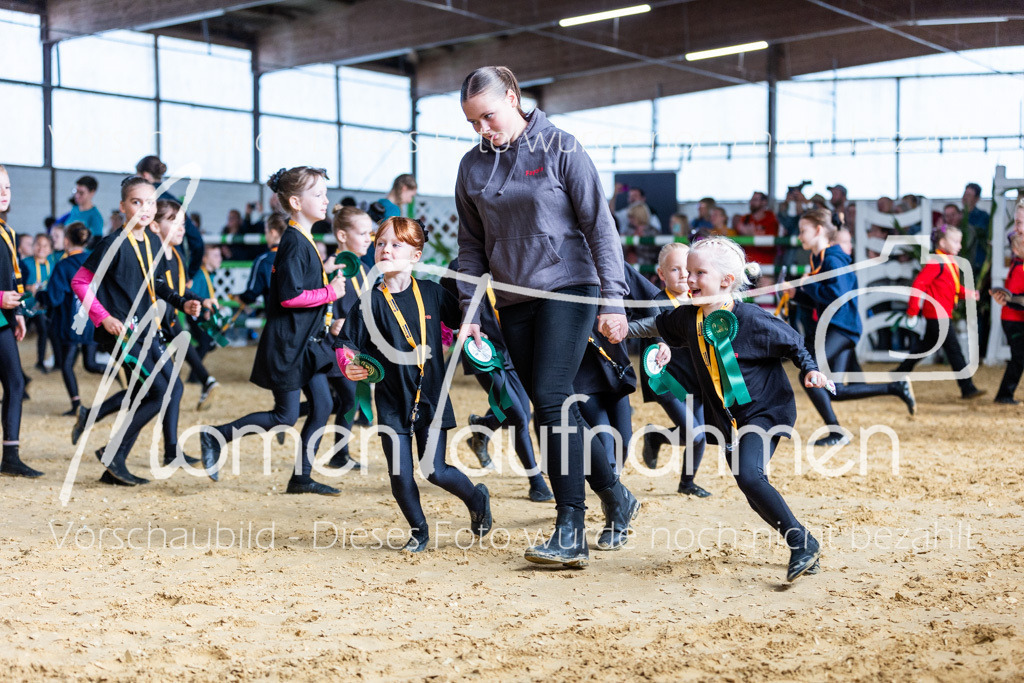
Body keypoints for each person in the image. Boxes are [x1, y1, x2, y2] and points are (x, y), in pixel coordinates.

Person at [457, 66, 638, 568]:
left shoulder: (561, 147)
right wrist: (469, 309)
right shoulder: (471, 167)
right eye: (472, 123)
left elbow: (600, 227)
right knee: (560, 406)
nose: (482, 130)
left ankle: (570, 528)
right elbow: (471, 247)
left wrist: (614, 299)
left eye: (488, 117)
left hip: (570, 287)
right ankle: (617, 496)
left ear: (513, 98)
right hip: (513, 300)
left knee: (550, 400)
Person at [623, 237, 825, 581]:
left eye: (699, 272)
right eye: (687, 272)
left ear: (726, 281)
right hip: (730, 418)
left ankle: (804, 543)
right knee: (749, 486)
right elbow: (657, 325)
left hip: (766, 411)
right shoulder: (688, 318)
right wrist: (620, 329)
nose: (689, 280)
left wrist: (810, 369)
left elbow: (792, 341)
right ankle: (802, 543)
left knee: (749, 476)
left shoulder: (749, 317)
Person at [338, 217, 493, 552]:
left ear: (416, 256)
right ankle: (419, 530)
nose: (386, 249)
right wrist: (349, 364)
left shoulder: (433, 293)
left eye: (396, 244)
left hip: (431, 397)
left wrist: (478, 327)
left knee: (433, 470)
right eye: (380, 243)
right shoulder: (369, 302)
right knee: (400, 474)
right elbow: (346, 344)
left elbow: (467, 319)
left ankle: (476, 496)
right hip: (392, 401)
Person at [199, 166, 345, 496]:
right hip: (289, 343)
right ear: (295, 201)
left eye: (324, 193)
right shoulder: (294, 242)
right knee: (284, 416)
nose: (325, 200)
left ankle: (301, 478)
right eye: (318, 195)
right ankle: (216, 435)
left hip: (306, 342)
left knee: (323, 405)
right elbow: (291, 296)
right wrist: (329, 293)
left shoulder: (304, 239)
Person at [71, 176, 208, 485]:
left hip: (146, 331)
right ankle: (113, 456)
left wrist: (182, 302)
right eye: (137, 202)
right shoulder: (113, 243)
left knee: (160, 390)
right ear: (123, 207)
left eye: (151, 203)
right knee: (159, 391)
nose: (145, 209)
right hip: (122, 334)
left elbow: (156, 283)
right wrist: (103, 317)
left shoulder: (150, 241)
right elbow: (80, 281)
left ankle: (113, 459)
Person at [788, 208, 916, 446]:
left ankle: (837, 433)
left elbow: (837, 295)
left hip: (841, 328)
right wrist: (797, 293)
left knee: (809, 373)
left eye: (803, 231)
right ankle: (895, 387)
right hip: (838, 326)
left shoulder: (832, 259)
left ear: (818, 230)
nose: (799, 236)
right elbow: (822, 298)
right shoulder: (820, 258)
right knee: (833, 389)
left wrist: (807, 285)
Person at [440, 258, 553, 502]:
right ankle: (536, 482)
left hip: (516, 349)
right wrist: (453, 335)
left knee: (520, 410)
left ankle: (482, 429)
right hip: (484, 352)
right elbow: (444, 309)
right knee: (518, 415)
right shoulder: (459, 268)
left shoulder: (513, 262)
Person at [639, 243, 710, 497]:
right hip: (666, 378)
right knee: (694, 433)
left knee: (699, 436)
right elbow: (652, 335)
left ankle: (685, 480)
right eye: (675, 269)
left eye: (687, 269)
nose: (682, 274)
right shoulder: (655, 303)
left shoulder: (699, 300)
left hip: (695, 377)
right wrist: (660, 344)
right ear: (661, 274)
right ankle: (656, 439)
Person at [893, 225, 984, 399]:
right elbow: (919, 284)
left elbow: (953, 287)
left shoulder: (948, 262)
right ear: (942, 242)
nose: (959, 245)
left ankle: (898, 374)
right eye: (955, 241)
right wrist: (912, 310)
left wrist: (970, 294)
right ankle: (967, 388)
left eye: (960, 241)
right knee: (954, 350)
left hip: (940, 314)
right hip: (937, 315)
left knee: (924, 347)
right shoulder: (937, 262)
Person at [321, 204, 374, 471]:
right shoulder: (331, 268)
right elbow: (314, 304)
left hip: (352, 349)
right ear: (342, 236)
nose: (369, 239)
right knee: (340, 400)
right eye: (363, 233)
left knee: (345, 400)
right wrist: (330, 322)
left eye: (370, 234)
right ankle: (338, 455)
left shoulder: (366, 269)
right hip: (329, 347)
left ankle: (339, 455)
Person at [152, 200, 219, 412]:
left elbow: (179, 288)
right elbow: (160, 287)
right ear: (154, 225)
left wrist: (202, 300)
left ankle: (207, 381)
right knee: (163, 387)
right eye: (174, 223)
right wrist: (184, 302)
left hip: (168, 318)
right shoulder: (153, 255)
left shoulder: (178, 255)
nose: (181, 228)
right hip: (151, 326)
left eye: (183, 223)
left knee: (171, 387)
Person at [0, 164, 43, 478]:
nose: (4, 193)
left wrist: (16, 314)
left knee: (15, 383)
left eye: (8, 187)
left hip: (2, 321)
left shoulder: (7, 231)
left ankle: (11, 455)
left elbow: (12, 277)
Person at [46, 222, 104, 415]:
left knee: (66, 364)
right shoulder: (95, 261)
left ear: (67, 240)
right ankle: (122, 375)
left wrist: (39, 297)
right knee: (91, 363)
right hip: (93, 321)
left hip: (72, 323)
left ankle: (76, 404)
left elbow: (54, 298)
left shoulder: (64, 265)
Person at [136, 155, 204, 279]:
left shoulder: (141, 204)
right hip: (176, 268)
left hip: (149, 270)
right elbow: (197, 242)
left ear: (145, 176)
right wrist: (189, 274)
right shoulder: (175, 204)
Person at [991, 232, 1024, 404]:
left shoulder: (1018, 265)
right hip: (1014, 321)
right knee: (1019, 358)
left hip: (1015, 320)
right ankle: (1004, 394)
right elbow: (1016, 299)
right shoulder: (1019, 269)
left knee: (1019, 357)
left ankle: (1005, 394)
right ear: (1016, 249)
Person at [237, 212, 287, 307]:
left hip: (275, 319)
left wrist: (238, 297)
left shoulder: (264, 261)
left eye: (266, 232)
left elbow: (251, 294)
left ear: (273, 233)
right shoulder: (299, 256)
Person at [21, 233, 54, 372]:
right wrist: (28, 287)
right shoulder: (25, 263)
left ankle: (40, 361)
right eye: (38, 244)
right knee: (16, 333)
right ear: (33, 246)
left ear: (50, 249)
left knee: (43, 332)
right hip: (23, 306)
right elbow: (17, 283)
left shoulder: (52, 264)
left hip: (40, 306)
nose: (41, 248)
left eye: (45, 245)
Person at [734, 191, 779, 265]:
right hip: (747, 264)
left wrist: (752, 234)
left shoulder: (771, 219)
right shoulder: (745, 218)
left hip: (765, 265)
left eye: (755, 200)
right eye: (751, 200)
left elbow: (771, 245)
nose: (752, 202)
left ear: (764, 202)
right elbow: (738, 242)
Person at [66, 176, 104, 241]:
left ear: (92, 192)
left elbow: (96, 243)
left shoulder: (95, 217)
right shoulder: (74, 209)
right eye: (76, 191)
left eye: (81, 193)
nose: (77, 196)